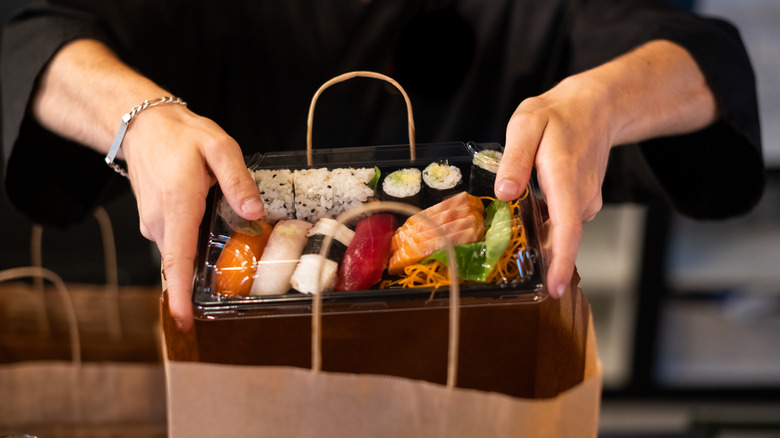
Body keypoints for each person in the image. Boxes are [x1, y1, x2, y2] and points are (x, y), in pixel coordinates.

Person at [1, 0, 765, 332]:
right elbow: (31, 35)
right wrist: (140, 118)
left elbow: (707, 57)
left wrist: (599, 100)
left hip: (464, 348)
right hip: (235, 333)